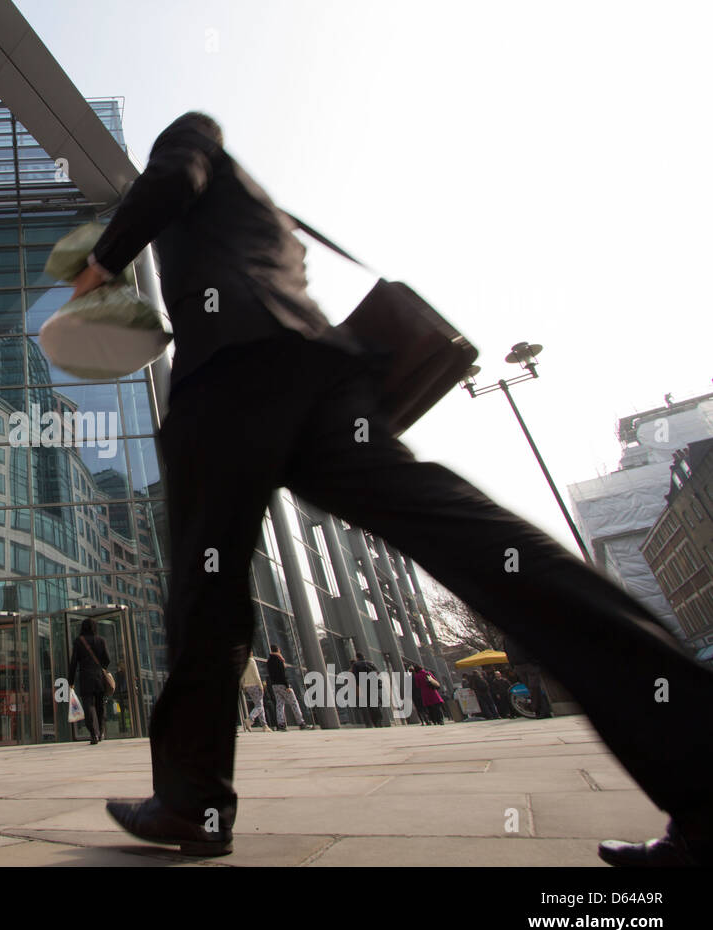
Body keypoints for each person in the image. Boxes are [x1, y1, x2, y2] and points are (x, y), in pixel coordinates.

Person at [77, 110, 713, 864]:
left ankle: (191, 801)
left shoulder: (189, 148)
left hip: (230, 379)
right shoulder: (264, 215)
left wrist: (102, 260)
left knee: (204, 597)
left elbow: (171, 175)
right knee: (471, 540)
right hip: (320, 376)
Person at [67, 619, 109, 745]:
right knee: (100, 705)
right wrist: (101, 668)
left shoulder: (79, 641)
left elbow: (74, 662)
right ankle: (101, 731)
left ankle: (93, 733)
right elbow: (107, 659)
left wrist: (71, 680)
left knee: (88, 705)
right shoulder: (101, 640)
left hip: (85, 677)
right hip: (99, 677)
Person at [266, 646, 309, 731]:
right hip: (283, 684)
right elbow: (282, 674)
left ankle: (281, 724)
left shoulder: (269, 661)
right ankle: (301, 723)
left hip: (274, 685)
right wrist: (287, 686)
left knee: (279, 704)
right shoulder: (279, 660)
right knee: (294, 703)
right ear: (278, 650)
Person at [349, 652, 383, 727]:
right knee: (375, 702)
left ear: (357, 657)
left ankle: (375, 721)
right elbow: (377, 673)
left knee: (369, 703)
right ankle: (379, 719)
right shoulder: (370, 663)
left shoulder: (355, 665)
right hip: (373, 684)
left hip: (364, 685)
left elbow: (355, 676)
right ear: (363, 656)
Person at [240, 657, 269, 731]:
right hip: (255, 685)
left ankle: (264, 725)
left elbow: (242, 675)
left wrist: (243, 685)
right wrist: (261, 685)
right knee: (259, 706)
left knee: (259, 705)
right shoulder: (251, 661)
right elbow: (256, 674)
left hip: (248, 686)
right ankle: (250, 719)